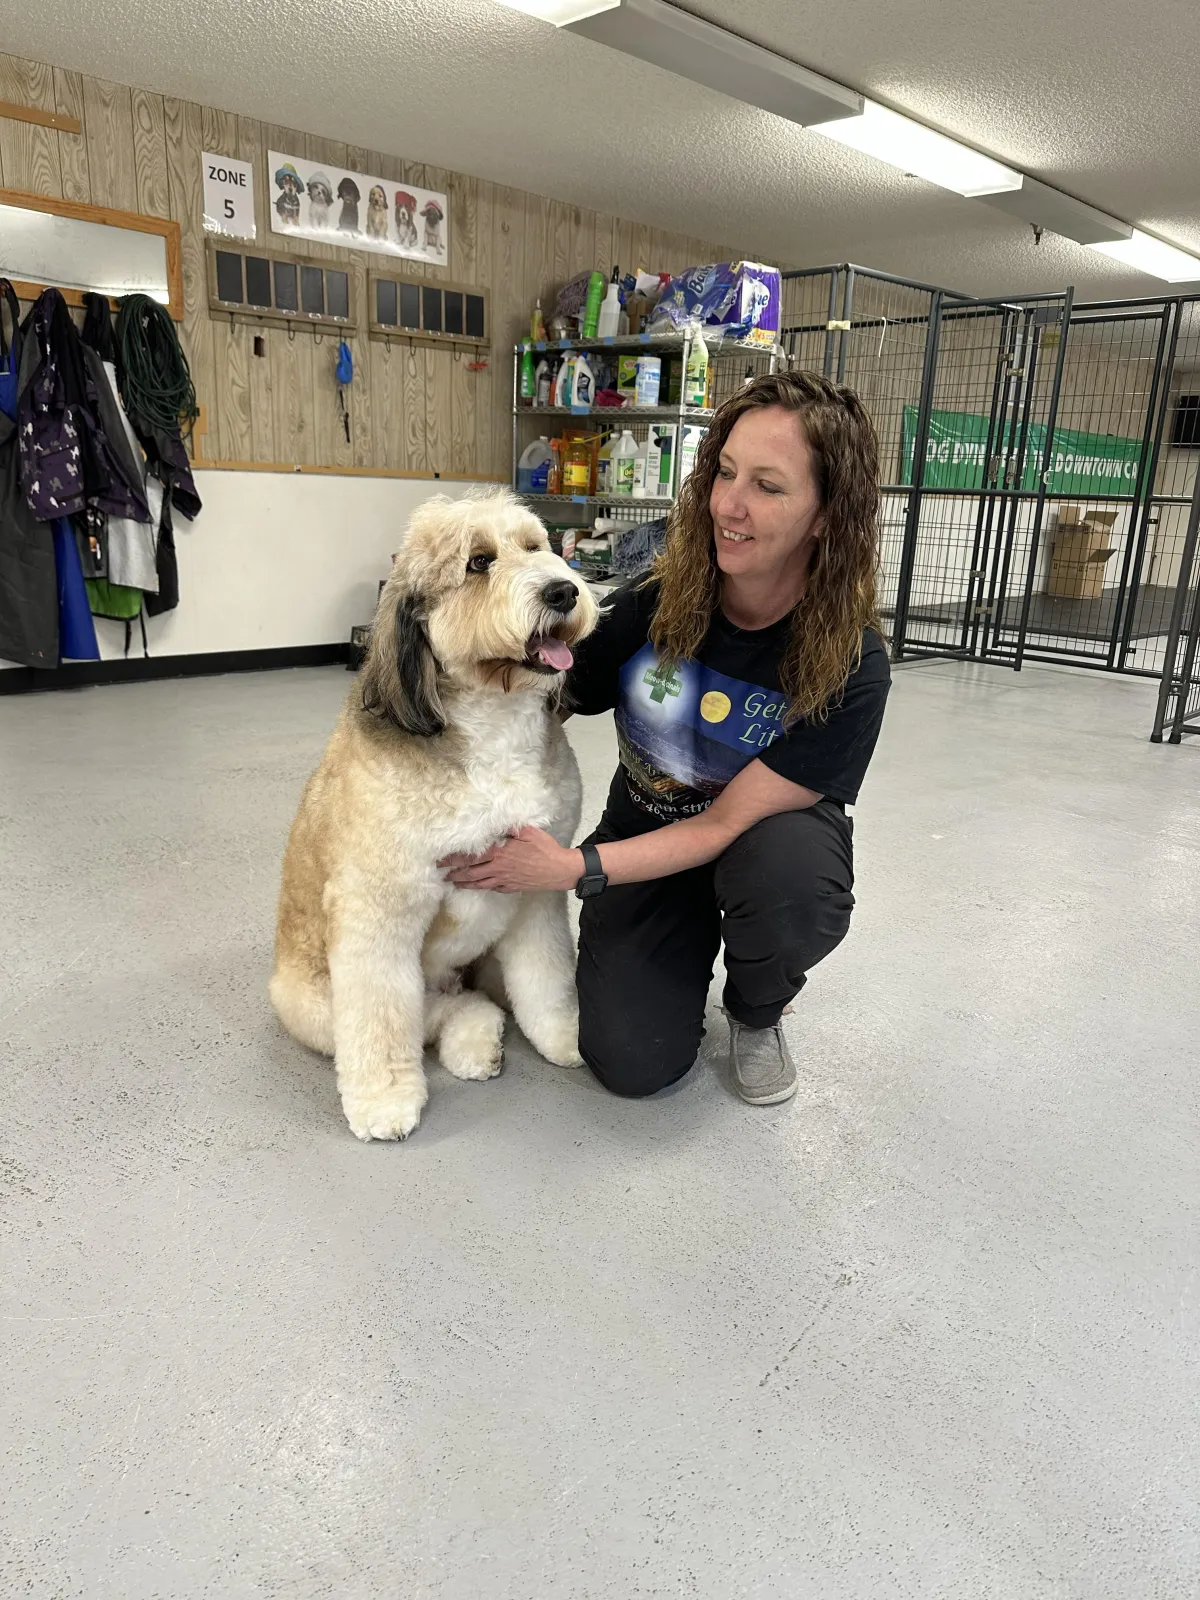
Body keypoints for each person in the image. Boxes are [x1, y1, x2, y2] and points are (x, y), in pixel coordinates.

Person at [443, 371, 891, 1105]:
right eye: (724, 472)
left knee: (791, 886)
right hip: (642, 837)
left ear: (825, 515)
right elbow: (547, 691)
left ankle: (755, 1009)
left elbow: (721, 824)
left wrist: (569, 867)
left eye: (769, 487)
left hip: (756, 847)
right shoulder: (660, 598)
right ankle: (672, 953)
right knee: (632, 1063)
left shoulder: (850, 663)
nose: (730, 506)